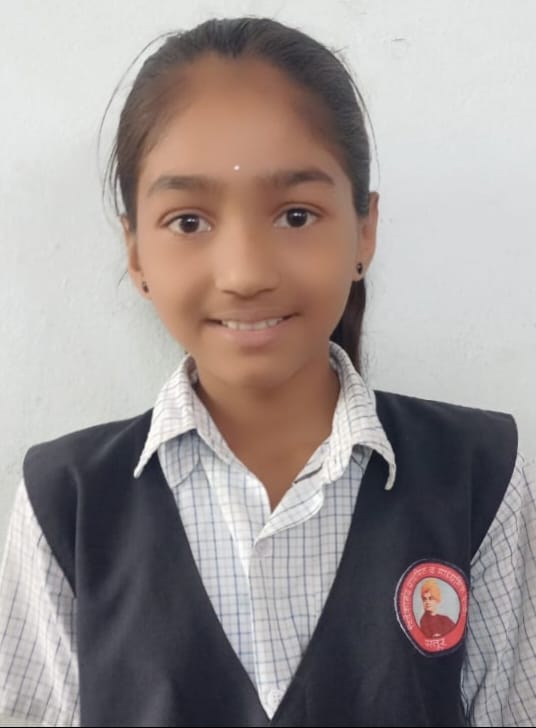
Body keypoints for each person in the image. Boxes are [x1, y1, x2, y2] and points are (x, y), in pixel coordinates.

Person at [0, 15, 535, 728]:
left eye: (296, 215)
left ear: (364, 230)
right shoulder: (64, 504)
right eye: (189, 221)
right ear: (135, 253)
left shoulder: (479, 477)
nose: (246, 273)